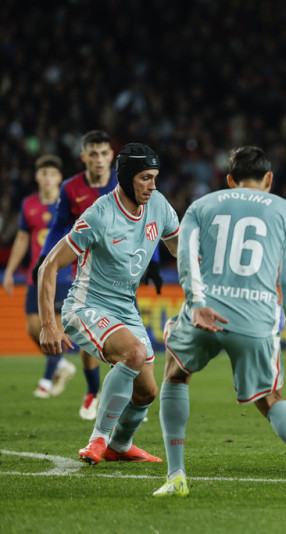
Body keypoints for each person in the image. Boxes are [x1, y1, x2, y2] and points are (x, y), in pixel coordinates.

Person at [154, 146, 286, 499]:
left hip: (207, 313)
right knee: (270, 397)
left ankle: (176, 476)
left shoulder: (202, 206)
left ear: (230, 179)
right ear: (269, 179)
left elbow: (185, 256)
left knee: (175, 373)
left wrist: (196, 303)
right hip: (257, 319)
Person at [38, 142, 180, 465]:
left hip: (125, 308)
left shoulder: (157, 204)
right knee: (134, 352)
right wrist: (49, 324)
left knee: (147, 391)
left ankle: (120, 444)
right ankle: (98, 440)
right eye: (146, 178)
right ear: (128, 176)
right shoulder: (99, 214)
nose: (153, 185)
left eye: (155, 177)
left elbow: (178, 247)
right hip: (86, 306)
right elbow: (48, 266)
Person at [3, 155, 76, 398]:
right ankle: (62, 363)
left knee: (53, 326)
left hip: (62, 274)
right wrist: (11, 271)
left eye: (52, 174)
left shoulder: (67, 204)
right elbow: (23, 238)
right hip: (36, 274)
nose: (47, 178)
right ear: (37, 177)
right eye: (43, 173)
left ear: (59, 178)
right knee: (33, 327)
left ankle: (46, 381)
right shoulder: (28, 205)